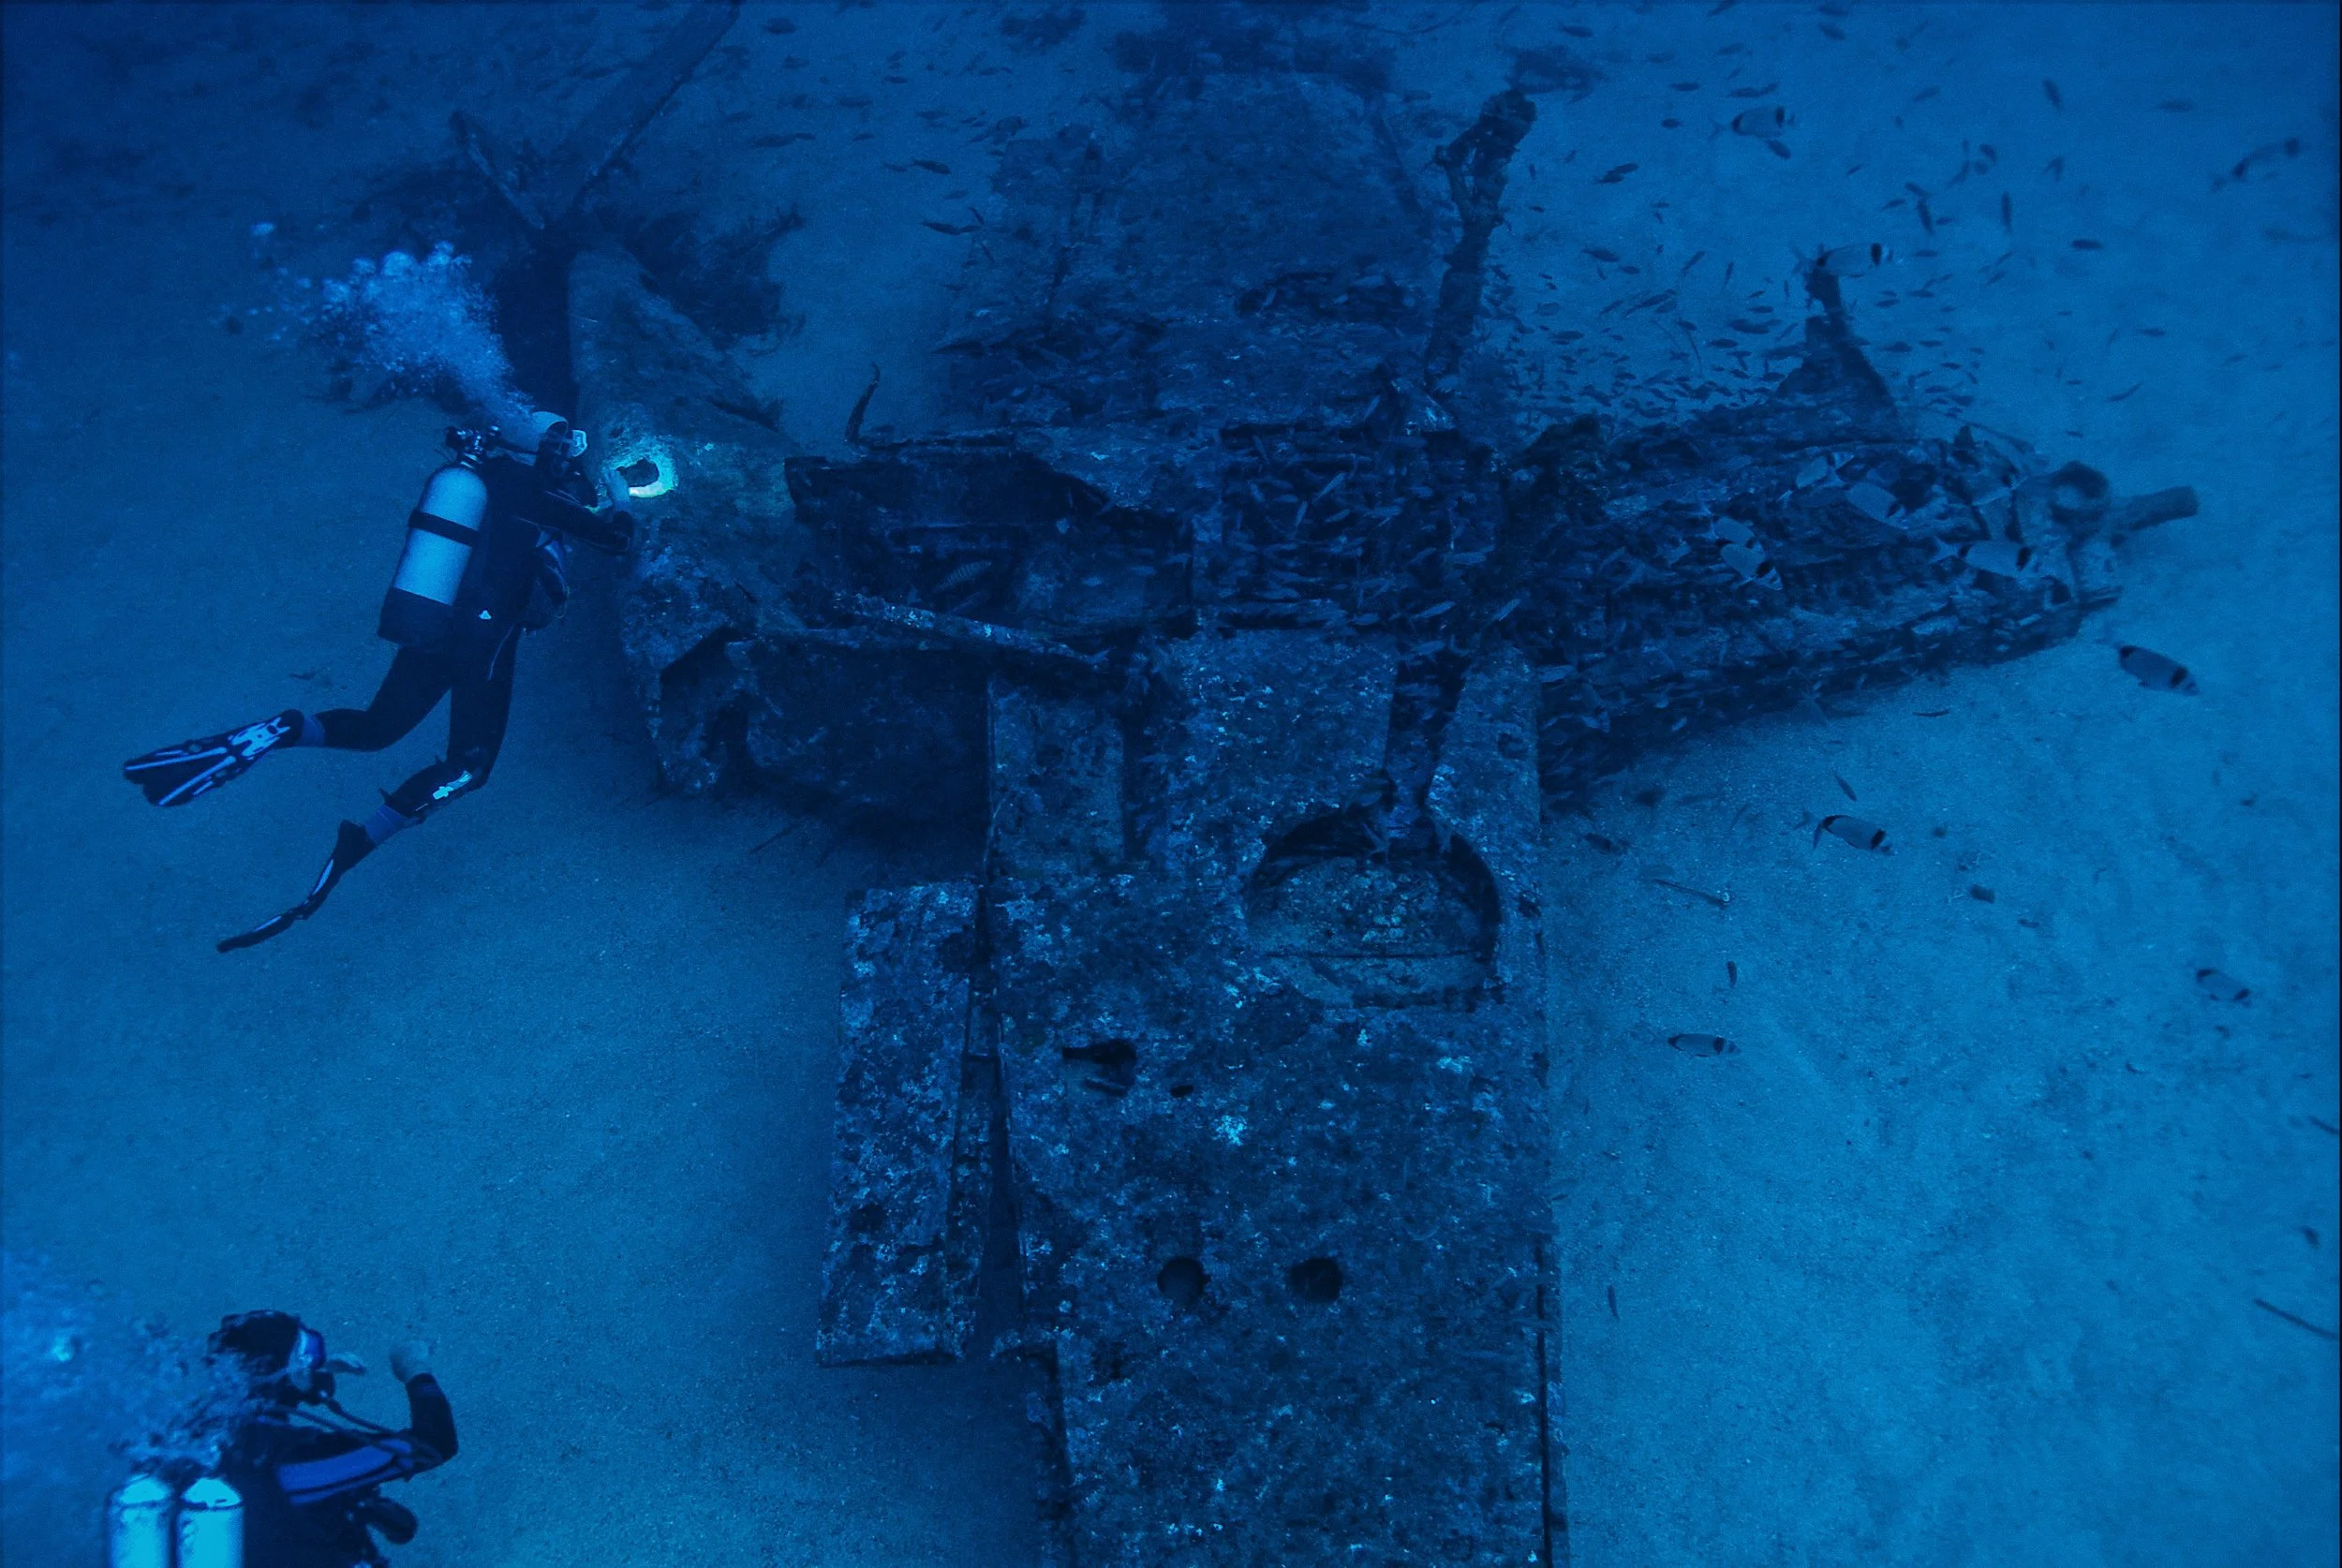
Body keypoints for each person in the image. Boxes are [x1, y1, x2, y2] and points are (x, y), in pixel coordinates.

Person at [123, 412, 633, 951]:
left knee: (377, 728)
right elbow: (615, 539)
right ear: (546, 450)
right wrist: (624, 496)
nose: (571, 456)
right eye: (567, 445)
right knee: (470, 766)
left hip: (434, 627)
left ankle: (287, 729)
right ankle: (359, 843)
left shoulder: (480, 482)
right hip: (484, 641)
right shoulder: (535, 493)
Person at [206, 1310, 457, 1567]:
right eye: (307, 1355)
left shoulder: (209, 1441)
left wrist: (313, 1376)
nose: (314, 1363)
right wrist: (414, 1368)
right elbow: (434, 1443)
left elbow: (265, 1389)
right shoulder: (297, 1461)